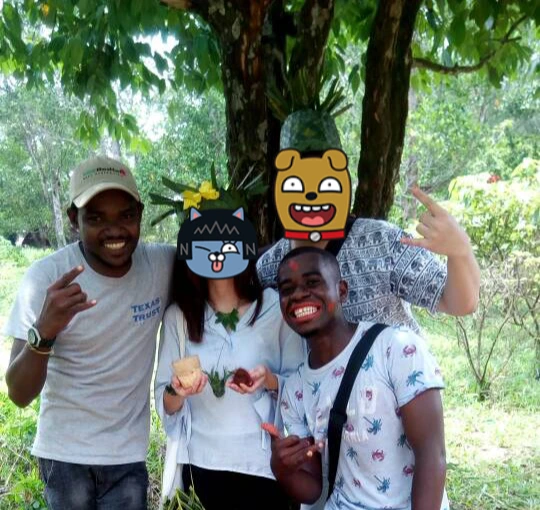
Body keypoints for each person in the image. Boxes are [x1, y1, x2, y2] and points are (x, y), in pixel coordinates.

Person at [4, 155, 175, 510]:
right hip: (64, 456)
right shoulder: (46, 277)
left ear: (140, 214)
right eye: (96, 218)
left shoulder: (160, 265)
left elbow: (223, 262)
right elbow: (19, 394)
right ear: (73, 219)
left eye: (126, 216)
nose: (115, 230)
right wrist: (45, 331)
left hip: (127, 457)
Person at [271, 247, 448, 510]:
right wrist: (282, 469)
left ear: (341, 291)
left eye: (312, 282)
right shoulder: (295, 390)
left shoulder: (396, 348)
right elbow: (313, 490)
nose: (298, 295)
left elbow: (432, 454)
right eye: (287, 289)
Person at [154, 208, 305, 510]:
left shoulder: (275, 309)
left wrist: (269, 380)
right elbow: (164, 401)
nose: (217, 256)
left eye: (227, 246)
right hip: (201, 466)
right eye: (206, 247)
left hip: (263, 466)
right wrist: (178, 391)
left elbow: (303, 386)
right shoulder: (179, 318)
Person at [258, 183, 480, 334]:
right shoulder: (269, 266)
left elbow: (459, 303)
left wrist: (459, 251)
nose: (310, 195)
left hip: (399, 386)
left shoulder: (383, 241)